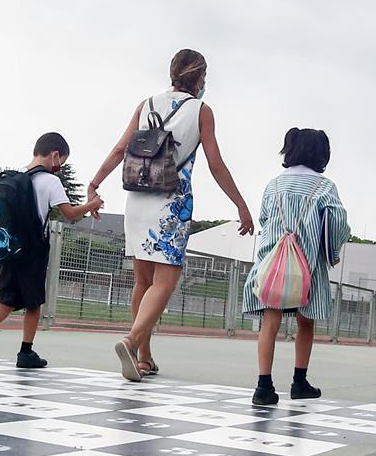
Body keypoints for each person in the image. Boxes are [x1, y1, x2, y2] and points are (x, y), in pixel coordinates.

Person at [86, 49, 253, 382]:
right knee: (165, 281)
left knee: (142, 281)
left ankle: (144, 357)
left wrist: (94, 183)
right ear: (200, 77)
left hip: (137, 199)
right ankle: (132, 341)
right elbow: (215, 164)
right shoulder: (201, 111)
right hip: (171, 202)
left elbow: (121, 149)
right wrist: (241, 205)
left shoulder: (146, 104)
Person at [0, 132, 103, 368]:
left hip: (11, 248)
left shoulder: (18, 177)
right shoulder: (50, 181)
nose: (60, 167)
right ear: (55, 155)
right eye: (62, 162)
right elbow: (69, 214)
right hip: (33, 251)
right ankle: (26, 352)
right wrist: (91, 205)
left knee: (7, 297)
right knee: (33, 302)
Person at [244, 128, 349, 407]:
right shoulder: (325, 187)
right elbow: (338, 222)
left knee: (270, 320)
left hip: (273, 262)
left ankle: (263, 386)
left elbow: (265, 220)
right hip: (308, 264)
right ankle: (299, 381)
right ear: (321, 154)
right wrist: (333, 251)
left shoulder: (273, 185)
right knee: (306, 321)